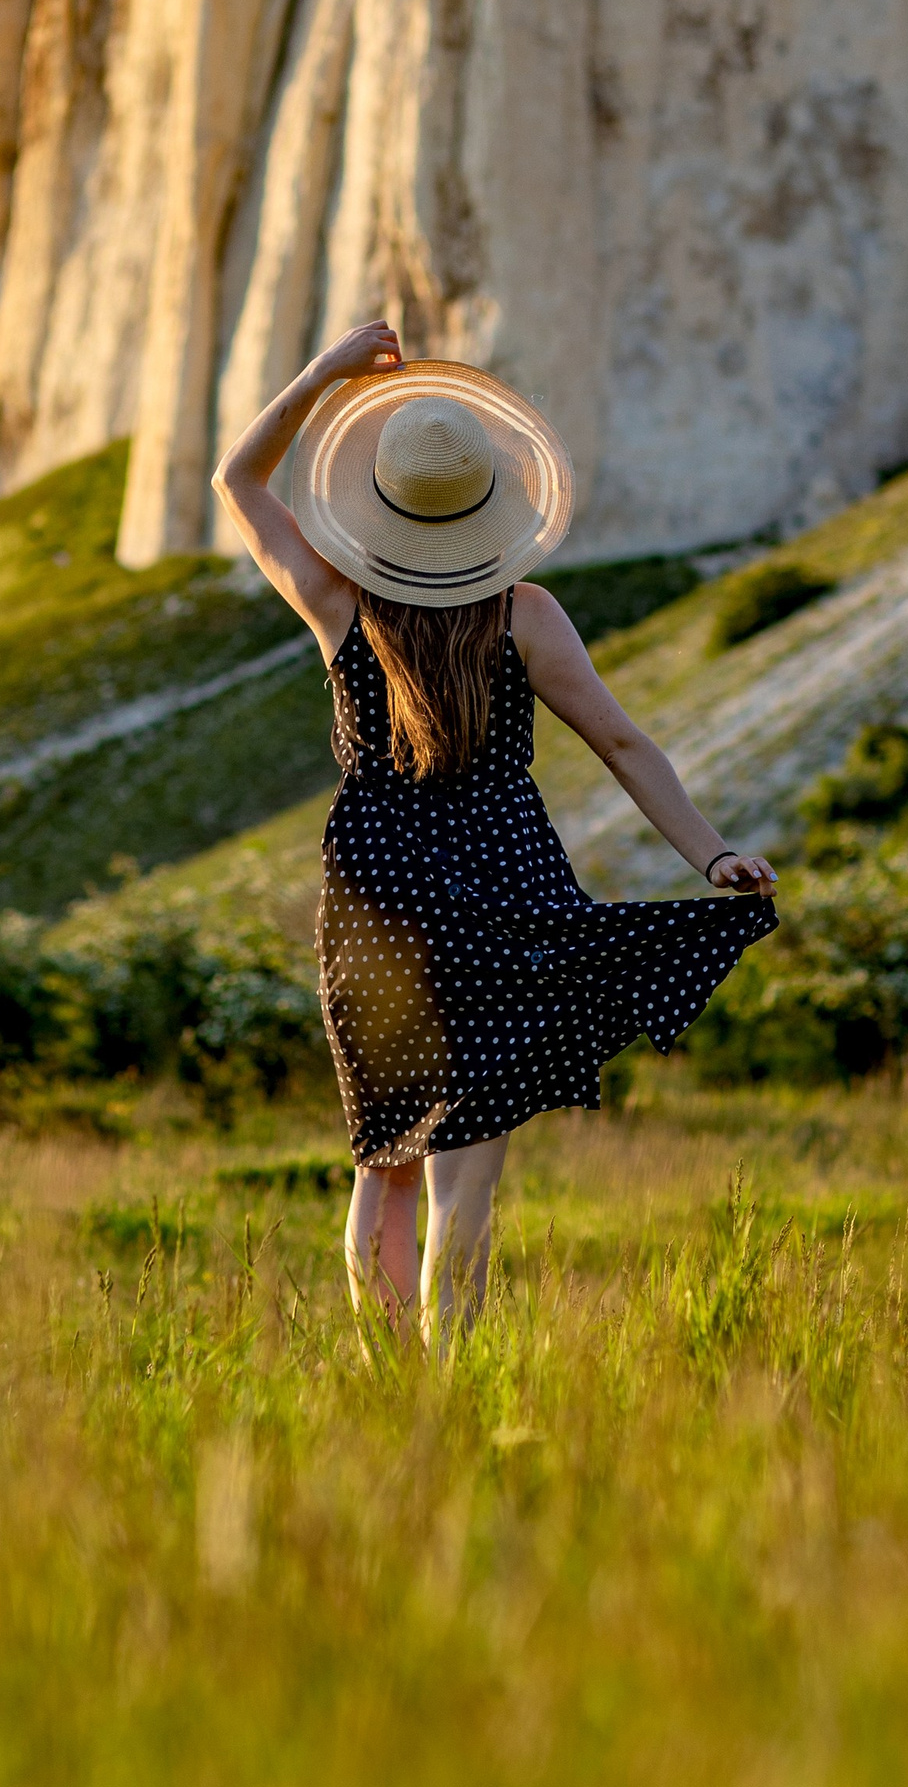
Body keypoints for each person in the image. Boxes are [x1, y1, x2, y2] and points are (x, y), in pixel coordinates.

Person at [211, 318, 780, 1343]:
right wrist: (712, 851)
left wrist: (324, 372)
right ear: (487, 510)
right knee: (460, 1184)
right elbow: (621, 742)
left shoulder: (340, 606)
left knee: (380, 1161)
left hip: (376, 894)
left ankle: (394, 1395)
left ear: (377, 506)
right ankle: (453, 1388)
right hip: (502, 883)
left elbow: (238, 481)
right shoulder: (525, 614)